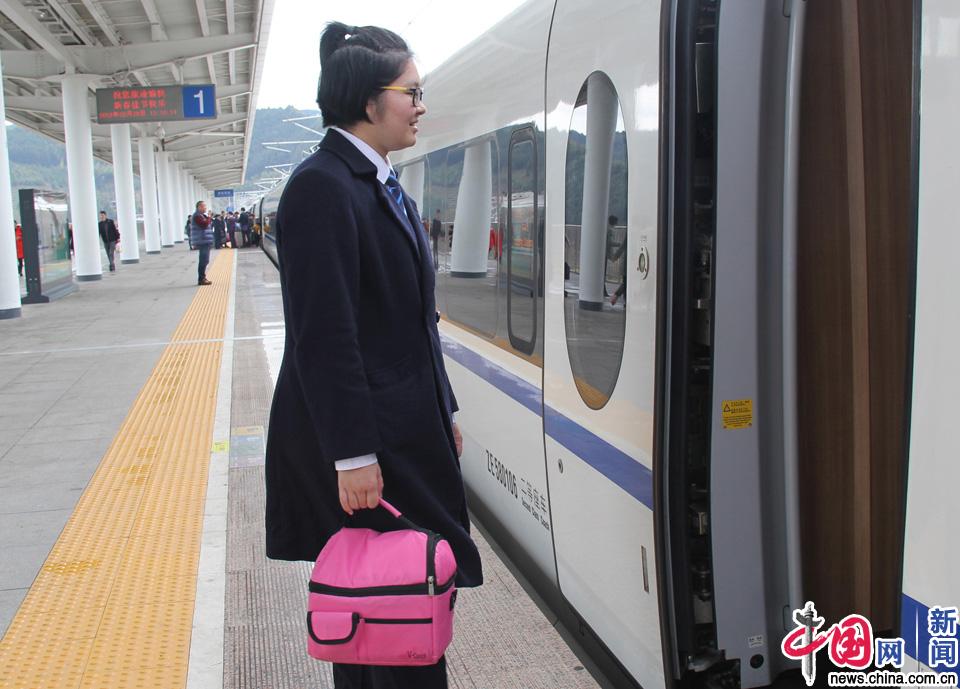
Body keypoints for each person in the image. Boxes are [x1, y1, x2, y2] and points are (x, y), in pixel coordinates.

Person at [264, 22, 482, 689]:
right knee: (391, 606)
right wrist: (352, 455)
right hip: (373, 445)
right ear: (367, 100)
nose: (420, 106)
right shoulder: (322, 186)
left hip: (405, 428)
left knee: (395, 606)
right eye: (410, 92)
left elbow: (414, 320)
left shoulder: (376, 181)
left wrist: (444, 407)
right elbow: (324, 335)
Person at [190, 201, 213, 285]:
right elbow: (204, 224)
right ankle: (201, 279)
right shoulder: (197, 216)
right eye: (204, 206)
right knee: (203, 260)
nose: (205, 208)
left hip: (205, 240)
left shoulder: (201, 215)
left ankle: (203, 277)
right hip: (202, 241)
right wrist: (209, 217)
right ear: (199, 207)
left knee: (205, 260)